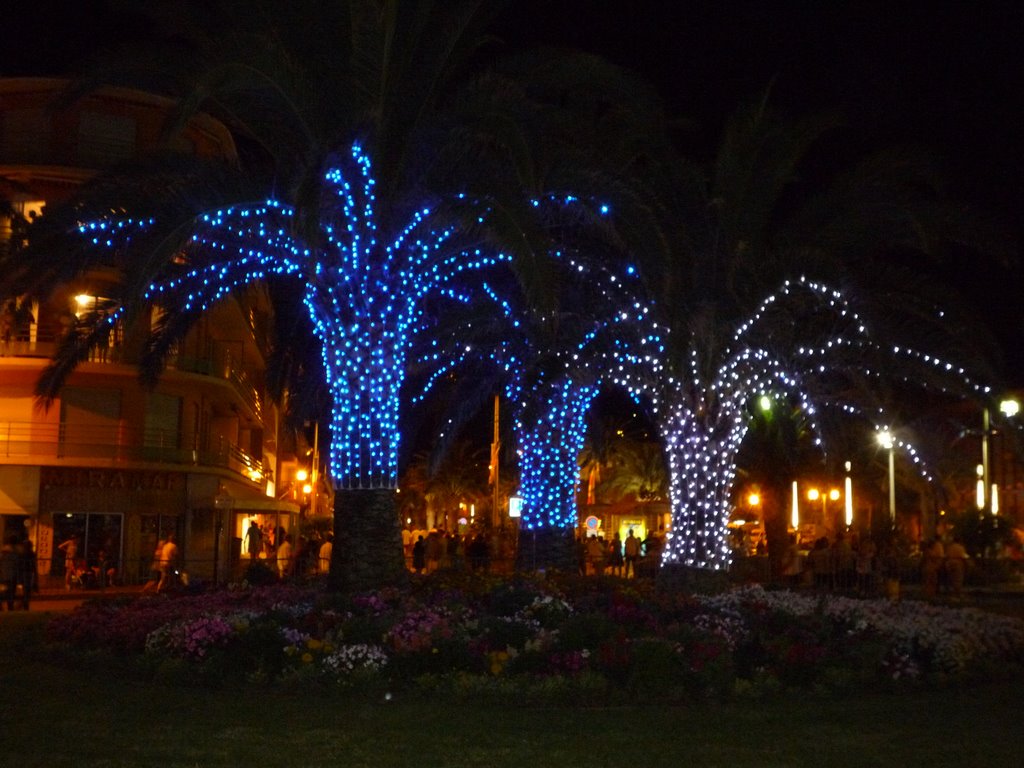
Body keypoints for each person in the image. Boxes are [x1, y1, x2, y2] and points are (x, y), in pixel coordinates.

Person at [944, 536, 970, 602]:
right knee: (958, 579)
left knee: (951, 579)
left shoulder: (949, 547)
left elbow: (946, 556)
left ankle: (951, 593)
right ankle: (957, 594)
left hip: (949, 563)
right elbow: (963, 557)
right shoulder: (960, 548)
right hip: (958, 563)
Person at [16, 539, 37, 610]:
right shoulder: (31, 554)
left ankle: (23, 605)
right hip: (28, 574)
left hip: (23, 574)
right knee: (27, 592)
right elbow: (33, 566)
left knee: (25, 592)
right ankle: (24, 606)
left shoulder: (21, 554)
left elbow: (19, 565)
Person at [1, 535, 17, 611]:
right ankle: (10, 608)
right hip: (11, 577)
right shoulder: (14, 553)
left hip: (4, 576)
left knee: (3, 593)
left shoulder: (2, 553)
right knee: (10, 595)